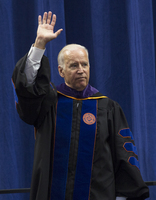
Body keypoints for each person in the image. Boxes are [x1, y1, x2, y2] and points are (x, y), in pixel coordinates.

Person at [12, 11, 149, 200]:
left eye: (84, 65)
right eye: (74, 65)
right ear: (61, 70)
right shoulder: (48, 102)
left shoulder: (107, 107)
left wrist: (123, 196)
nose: (81, 70)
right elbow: (26, 87)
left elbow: (124, 155)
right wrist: (39, 45)